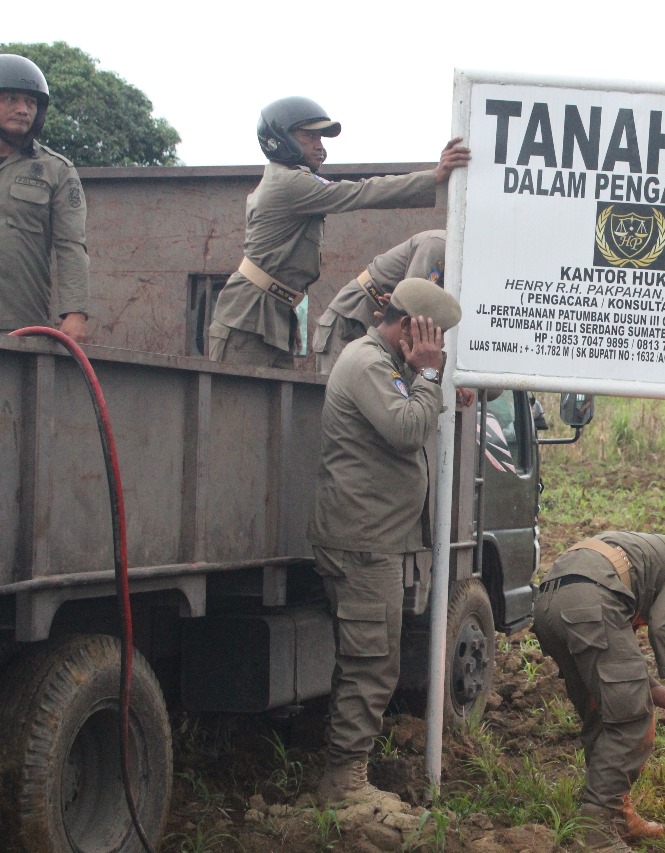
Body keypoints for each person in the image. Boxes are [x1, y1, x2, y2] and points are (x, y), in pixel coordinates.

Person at [307, 277, 462, 805]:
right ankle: (344, 787)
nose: (437, 349)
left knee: (366, 660)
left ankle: (344, 775)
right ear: (408, 330)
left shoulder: (387, 364)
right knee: (371, 665)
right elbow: (403, 429)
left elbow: (412, 410)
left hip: (371, 539)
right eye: (432, 338)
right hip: (362, 542)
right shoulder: (368, 362)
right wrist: (431, 376)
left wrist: (435, 384)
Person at [208, 96, 469, 368]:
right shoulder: (289, 183)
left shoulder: (292, 181)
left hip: (272, 310)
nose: (319, 146)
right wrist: (434, 176)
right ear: (280, 138)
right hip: (249, 313)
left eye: (321, 138)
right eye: (309, 136)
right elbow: (360, 192)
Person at [532, 532, 665, 851]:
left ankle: (617, 815)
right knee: (632, 722)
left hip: (551, 602)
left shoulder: (638, 570)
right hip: (588, 601)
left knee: (606, 708)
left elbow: (630, 679)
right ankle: (595, 834)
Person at [0, 54, 89, 342]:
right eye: (11, 98)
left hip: (20, 325)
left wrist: (75, 312)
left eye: (31, 102)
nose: (23, 109)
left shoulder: (56, 170)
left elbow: (71, 246)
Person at [314, 229, 446, 374]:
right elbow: (411, 304)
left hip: (390, 329)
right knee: (338, 386)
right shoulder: (439, 245)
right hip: (355, 318)